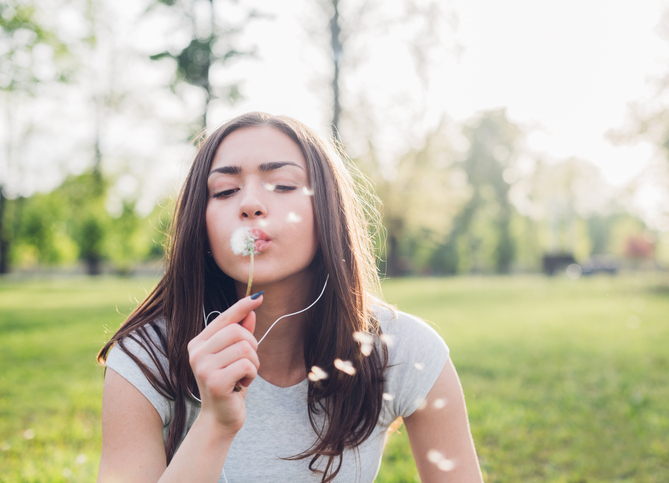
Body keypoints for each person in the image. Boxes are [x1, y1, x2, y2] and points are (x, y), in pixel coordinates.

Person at [97, 112, 484, 483]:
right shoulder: (144, 358)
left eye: (282, 185)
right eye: (226, 190)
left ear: (327, 209)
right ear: (201, 220)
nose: (250, 204)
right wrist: (215, 424)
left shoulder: (402, 350)